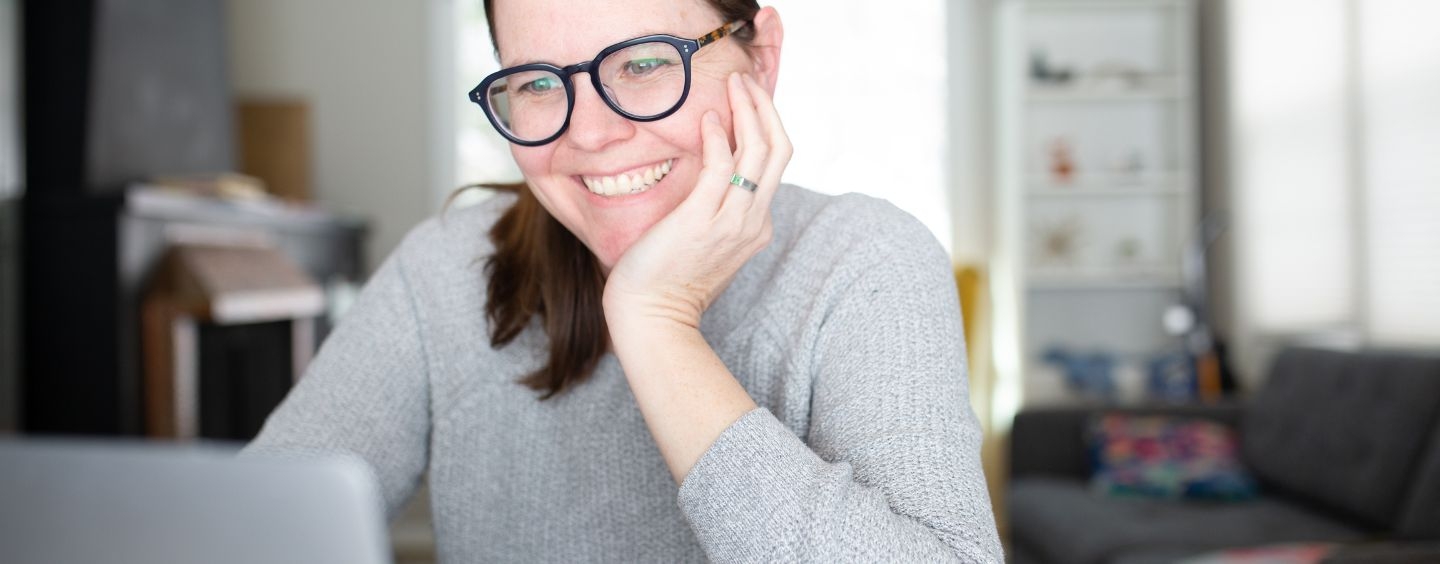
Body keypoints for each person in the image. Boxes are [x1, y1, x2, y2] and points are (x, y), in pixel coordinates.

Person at [245, 0, 1004, 561]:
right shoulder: (447, 267)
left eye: (643, 64)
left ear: (760, 57)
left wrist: (656, 323)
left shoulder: (863, 260)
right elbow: (255, 531)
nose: (590, 133)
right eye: (539, 83)